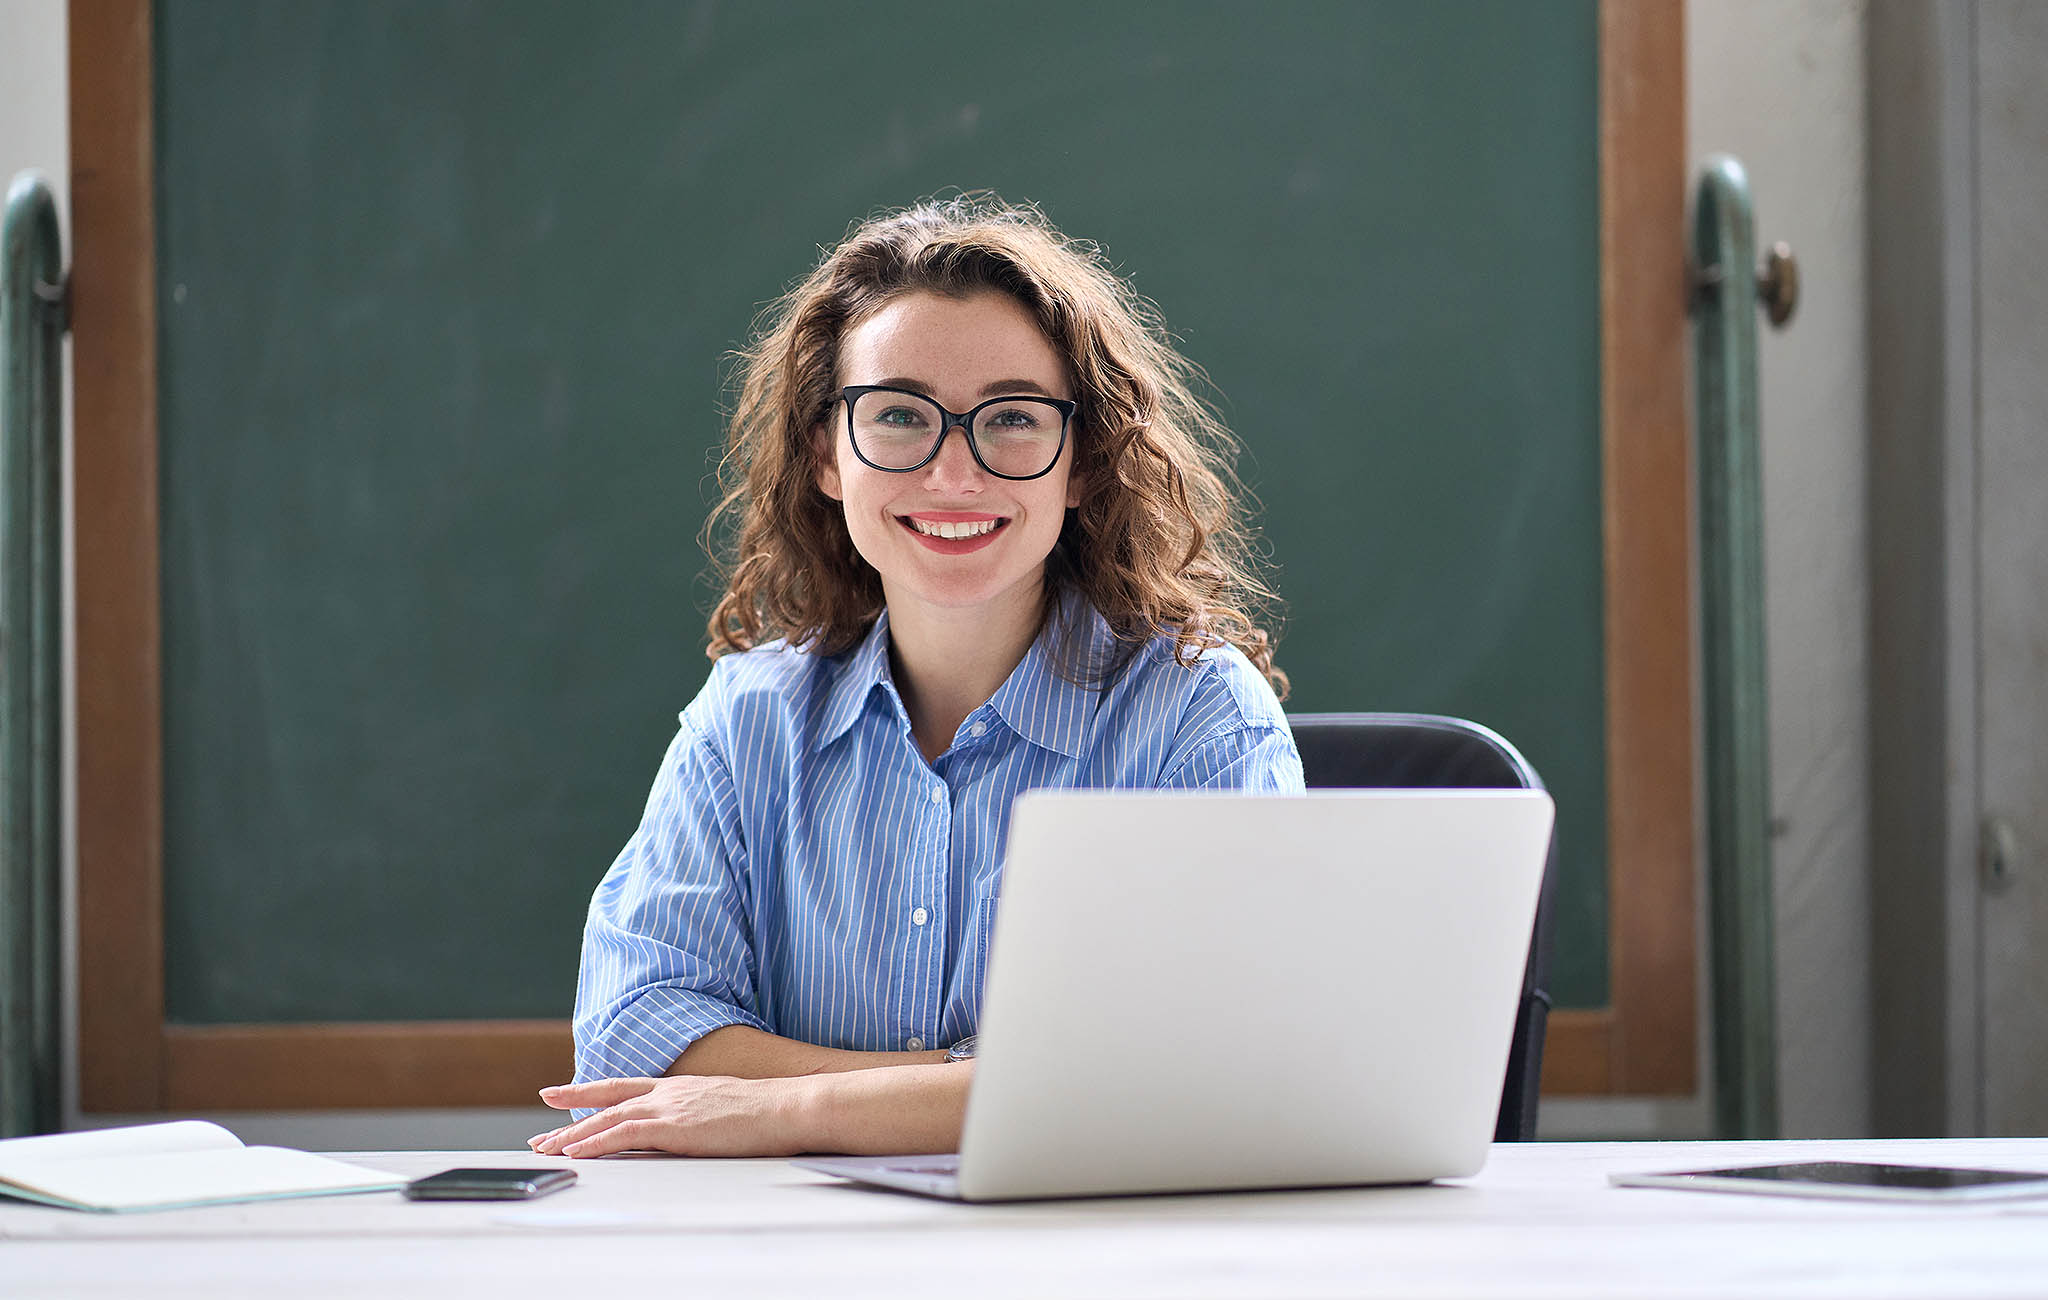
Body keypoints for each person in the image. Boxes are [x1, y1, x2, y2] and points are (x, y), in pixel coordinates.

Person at [532, 196, 1302, 1160]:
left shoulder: (1199, 718)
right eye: (898, 415)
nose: (953, 475)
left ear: (1083, 464)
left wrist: (790, 1107)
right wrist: (982, 1084)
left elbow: (1205, 1072)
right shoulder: (748, 720)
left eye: (1013, 419)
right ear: (825, 454)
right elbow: (636, 1032)